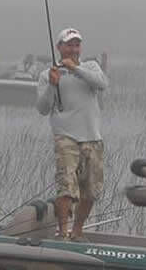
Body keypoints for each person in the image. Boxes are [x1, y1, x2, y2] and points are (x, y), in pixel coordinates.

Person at [36, 27, 108, 241]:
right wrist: (52, 84)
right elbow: (42, 108)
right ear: (59, 47)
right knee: (66, 188)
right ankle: (63, 232)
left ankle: (77, 231)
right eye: (69, 44)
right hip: (65, 137)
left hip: (93, 137)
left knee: (91, 191)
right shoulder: (46, 74)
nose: (74, 49)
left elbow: (102, 83)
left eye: (77, 45)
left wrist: (76, 69)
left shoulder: (91, 66)